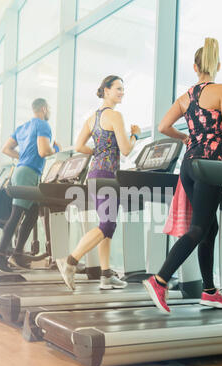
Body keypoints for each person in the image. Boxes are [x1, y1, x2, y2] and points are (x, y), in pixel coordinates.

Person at [143, 37, 222, 313]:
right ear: (218, 66)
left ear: (194, 66)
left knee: (209, 227)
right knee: (199, 228)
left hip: (189, 165)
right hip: (211, 165)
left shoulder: (185, 96)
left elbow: (163, 126)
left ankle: (209, 291)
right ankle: (160, 279)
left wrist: (184, 137)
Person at [56, 75, 141, 290]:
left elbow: (78, 146)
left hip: (94, 173)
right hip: (108, 175)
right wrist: (135, 136)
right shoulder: (115, 116)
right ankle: (71, 261)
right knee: (106, 225)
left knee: (107, 225)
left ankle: (106, 274)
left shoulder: (91, 118)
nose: (122, 92)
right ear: (106, 90)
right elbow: (126, 150)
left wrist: (98, 151)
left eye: (123, 89)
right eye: (118, 88)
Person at [0, 98, 61, 273]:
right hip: (28, 173)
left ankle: (18, 254)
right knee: (16, 215)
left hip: (22, 171)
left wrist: (22, 158)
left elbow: (6, 149)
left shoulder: (22, 128)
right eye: (49, 108)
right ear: (44, 108)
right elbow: (44, 151)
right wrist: (56, 149)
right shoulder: (43, 125)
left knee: (33, 212)